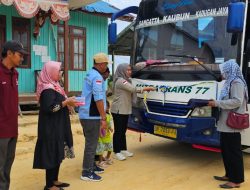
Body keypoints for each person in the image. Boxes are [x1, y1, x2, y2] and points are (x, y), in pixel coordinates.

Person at [33, 61, 77, 190]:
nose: (61, 73)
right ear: (51, 72)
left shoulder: (56, 86)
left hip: (59, 124)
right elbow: (50, 108)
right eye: (58, 70)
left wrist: (69, 103)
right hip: (50, 127)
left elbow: (60, 102)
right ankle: (49, 185)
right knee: (51, 152)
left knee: (58, 150)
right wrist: (65, 102)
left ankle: (55, 180)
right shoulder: (47, 89)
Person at [208, 60, 248, 189]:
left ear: (229, 71)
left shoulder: (237, 83)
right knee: (226, 151)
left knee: (233, 152)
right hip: (226, 123)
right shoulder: (230, 82)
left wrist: (217, 103)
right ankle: (229, 174)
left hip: (232, 124)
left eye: (224, 71)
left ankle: (236, 180)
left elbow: (237, 101)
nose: (222, 73)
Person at [111, 63, 155, 161]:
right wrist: (146, 88)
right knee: (118, 131)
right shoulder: (121, 81)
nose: (130, 72)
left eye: (130, 70)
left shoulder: (127, 80)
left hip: (125, 109)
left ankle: (123, 149)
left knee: (123, 131)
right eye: (127, 70)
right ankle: (116, 151)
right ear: (122, 71)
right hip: (118, 110)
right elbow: (133, 89)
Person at [0, 40, 28, 190]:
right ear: (9, 53)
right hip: (1, 130)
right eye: (20, 55)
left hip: (12, 128)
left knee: (8, 164)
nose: (22, 58)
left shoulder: (15, 74)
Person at [78, 52, 111, 181]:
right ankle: (87, 172)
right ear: (101, 64)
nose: (107, 66)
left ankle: (91, 165)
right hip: (91, 115)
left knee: (92, 142)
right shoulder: (97, 77)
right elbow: (98, 99)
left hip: (86, 113)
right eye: (106, 64)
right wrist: (103, 117)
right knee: (91, 144)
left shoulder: (90, 74)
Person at [96, 100, 114, 168]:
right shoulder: (99, 115)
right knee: (100, 149)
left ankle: (107, 157)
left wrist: (110, 128)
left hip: (107, 135)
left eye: (106, 106)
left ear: (108, 107)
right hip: (100, 135)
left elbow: (109, 123)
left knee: (110, 147)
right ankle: (100, 161)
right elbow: (98, 125)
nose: (105, 107)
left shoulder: (109, 115)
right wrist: (99, 132)